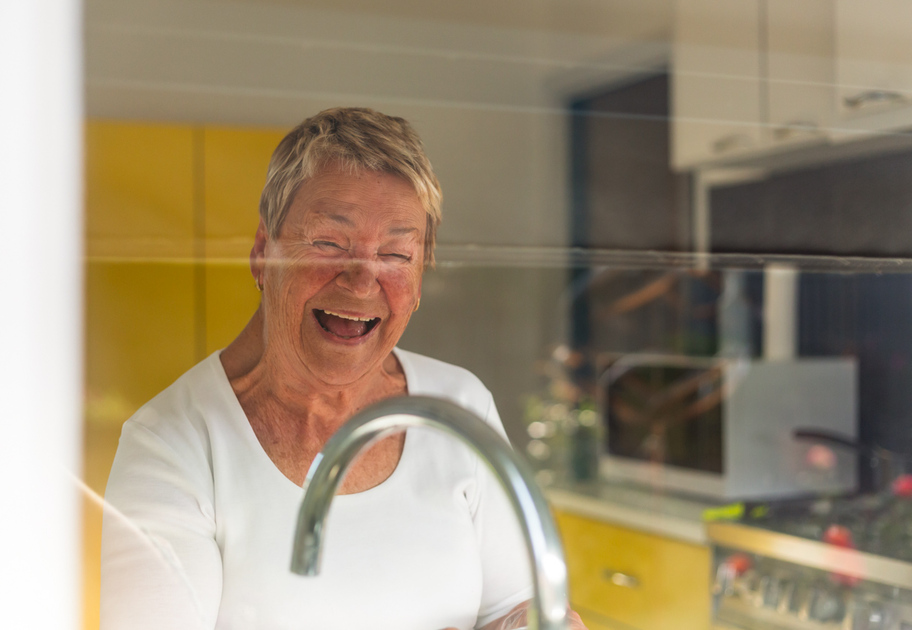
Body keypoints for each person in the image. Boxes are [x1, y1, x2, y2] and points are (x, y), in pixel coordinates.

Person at [100, 107, 586, 630]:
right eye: (329, 243)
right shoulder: (171, 445)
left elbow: (513, 607)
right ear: (264, 252)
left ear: (421, 278)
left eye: (396, 254)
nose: (360, 282)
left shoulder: (459, 406)